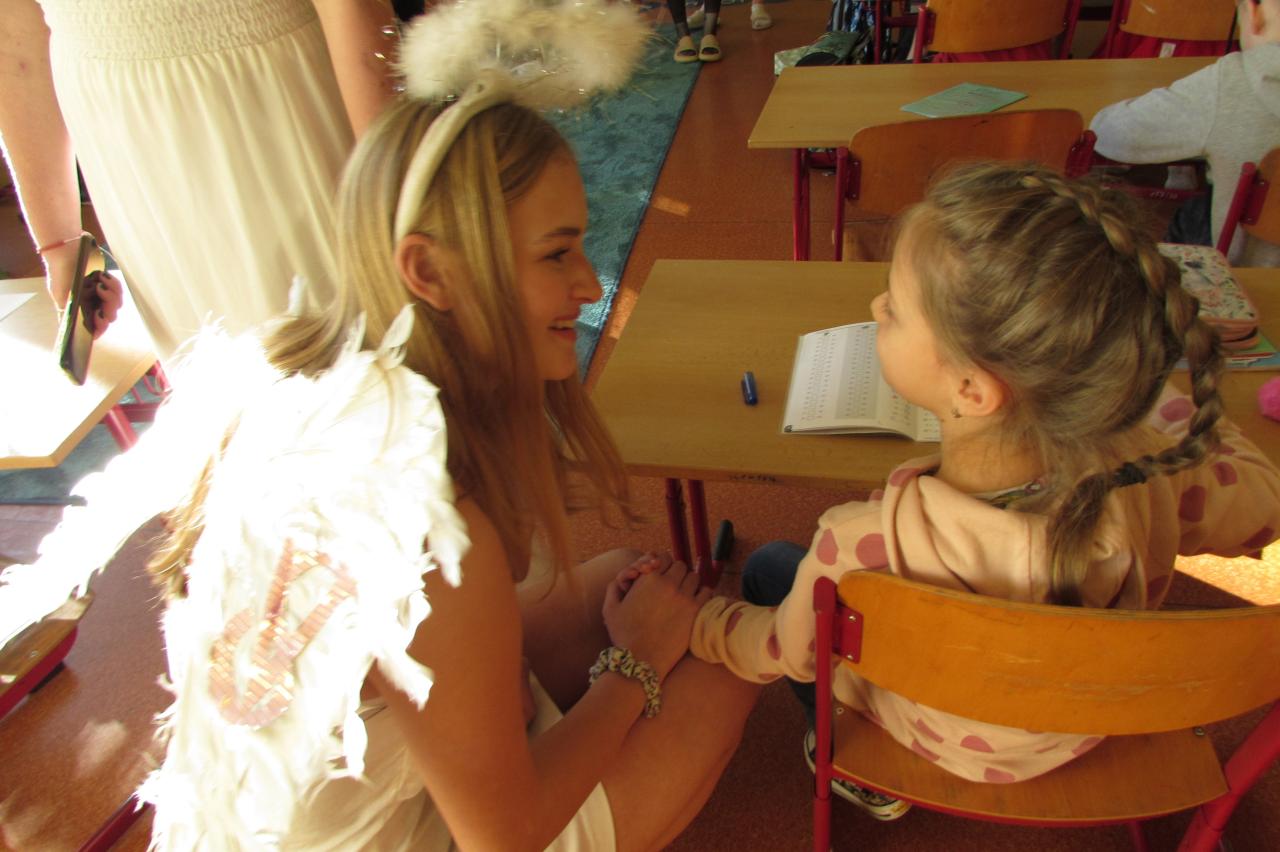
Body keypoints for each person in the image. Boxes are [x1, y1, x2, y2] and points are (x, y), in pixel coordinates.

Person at [0, 2, 760, 848]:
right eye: (556, 253)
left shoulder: (311, 382)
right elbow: (502, 836)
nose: (588, 284)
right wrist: (632, 668)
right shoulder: (429, 525)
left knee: (622, 578)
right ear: (427, 269)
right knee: (714, 672)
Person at [634, 162, 1280, 820]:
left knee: (771, 566)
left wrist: (699, 623)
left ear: (971, 390)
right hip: (1084, 724)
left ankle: (862, 772)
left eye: (894, 309)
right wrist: (1149, 404)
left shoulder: (859, 543)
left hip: (930, 733)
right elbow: (1264, 504)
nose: (876, 309)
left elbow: (782, 652)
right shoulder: (1154, 472)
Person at [0, 0, 402, 359]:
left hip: (266, 106)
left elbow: (351, 7)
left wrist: (392, 193)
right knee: (215, 380)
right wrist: (59, 244)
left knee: (347, 359)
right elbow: (16, 35)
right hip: (125, 155)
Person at [1090, 0, 1280, 267]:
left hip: (1242, 275)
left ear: (1254, 12)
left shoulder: (1231, 81)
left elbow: (1109, 134)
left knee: (1192, 214)